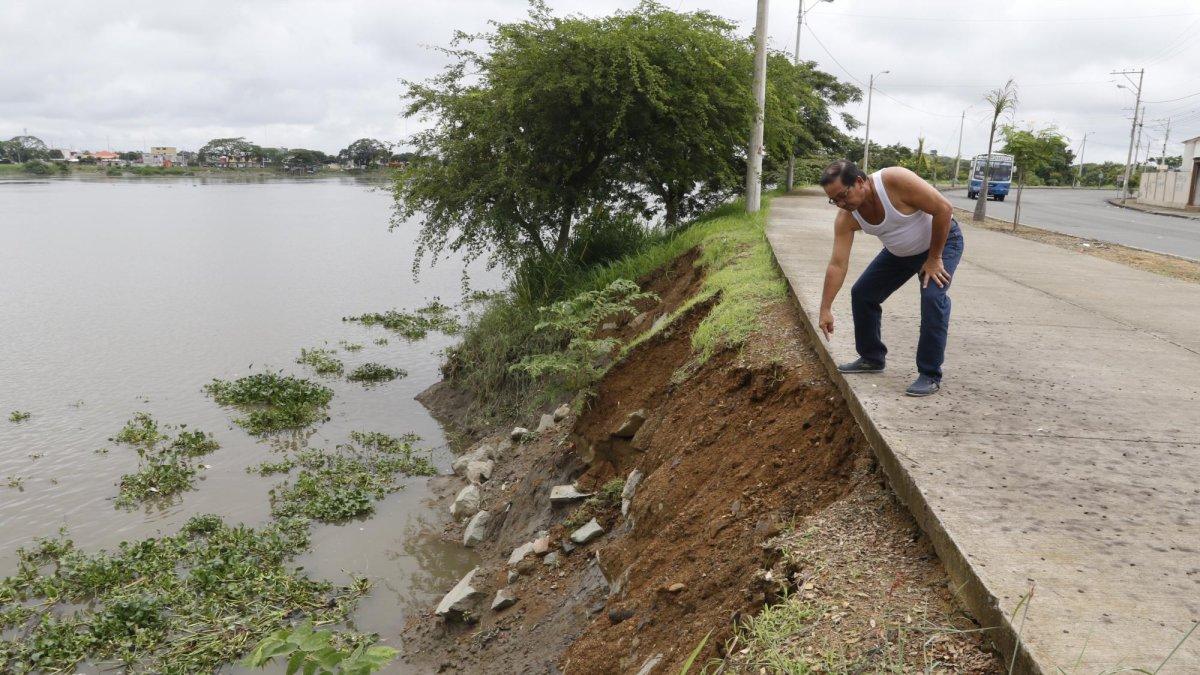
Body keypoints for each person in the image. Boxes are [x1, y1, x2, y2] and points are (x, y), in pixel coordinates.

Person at [816, 159, 963, 397]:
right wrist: (825, 308)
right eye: (834, 200)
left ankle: (929, 374)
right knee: (863, 294)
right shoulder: (847, 217)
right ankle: (871, 357)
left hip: (941, 244)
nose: (841, 204)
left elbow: (944, 208)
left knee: (932, 297)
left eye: (843, 195)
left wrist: (934, 258)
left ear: (860, 181)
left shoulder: (894, 180)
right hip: (899, 252)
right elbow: (837, 264)